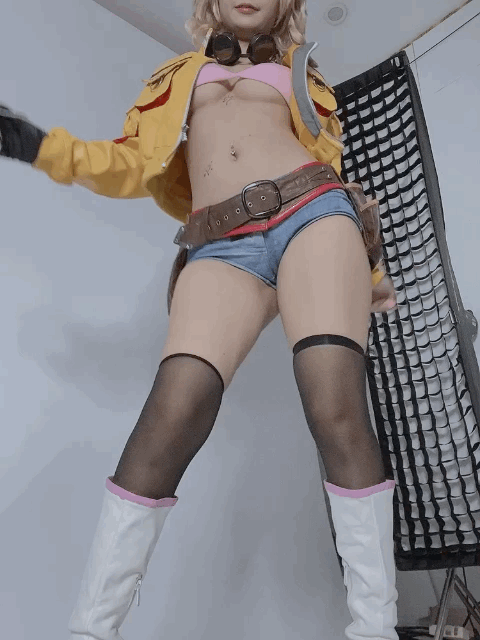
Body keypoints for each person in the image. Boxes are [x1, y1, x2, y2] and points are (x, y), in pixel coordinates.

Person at [0, 1, 399, 638]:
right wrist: (42, 147)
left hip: (313, 215)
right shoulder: (177, 76)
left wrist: (367, 274)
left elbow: (330, 163)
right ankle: (90, 631)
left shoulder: (301, 72)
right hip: (219, 242)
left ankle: (374, 630)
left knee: (334, 404)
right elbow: (132, 162)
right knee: (173, 410)